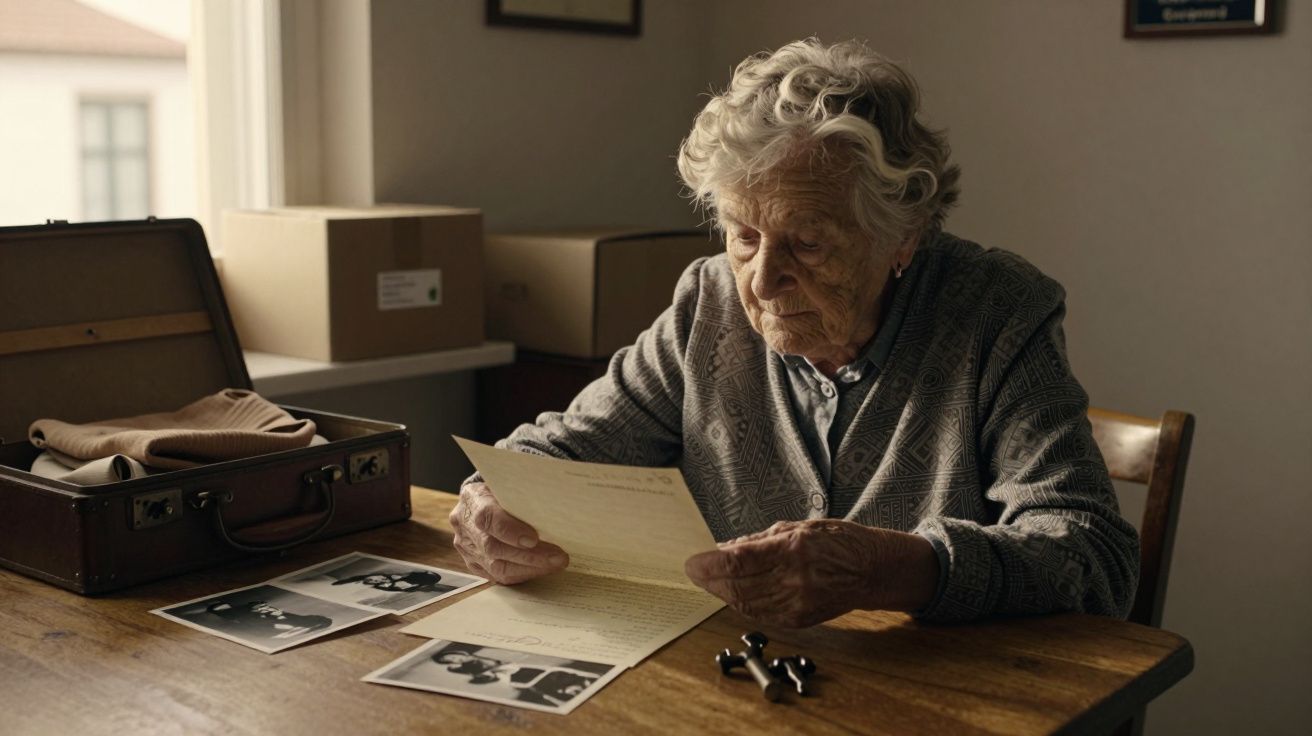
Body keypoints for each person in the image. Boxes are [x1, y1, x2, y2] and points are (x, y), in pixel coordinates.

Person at [450, 38, 1139, 626]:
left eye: (806, 243)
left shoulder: (995, 314)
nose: (761, 279)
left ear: (904, 237)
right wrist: (491, 499)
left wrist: (893, 570)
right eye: (743, 236)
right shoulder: (708, 301)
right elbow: (561, 449)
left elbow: (1092, 554)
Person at [332, 570, 451, 594]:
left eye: (374, 578)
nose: (376, 580)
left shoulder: (397, 574)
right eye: (373, 582)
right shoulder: (388, 585)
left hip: (427, 579)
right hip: (423, 586)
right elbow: (405, 589)